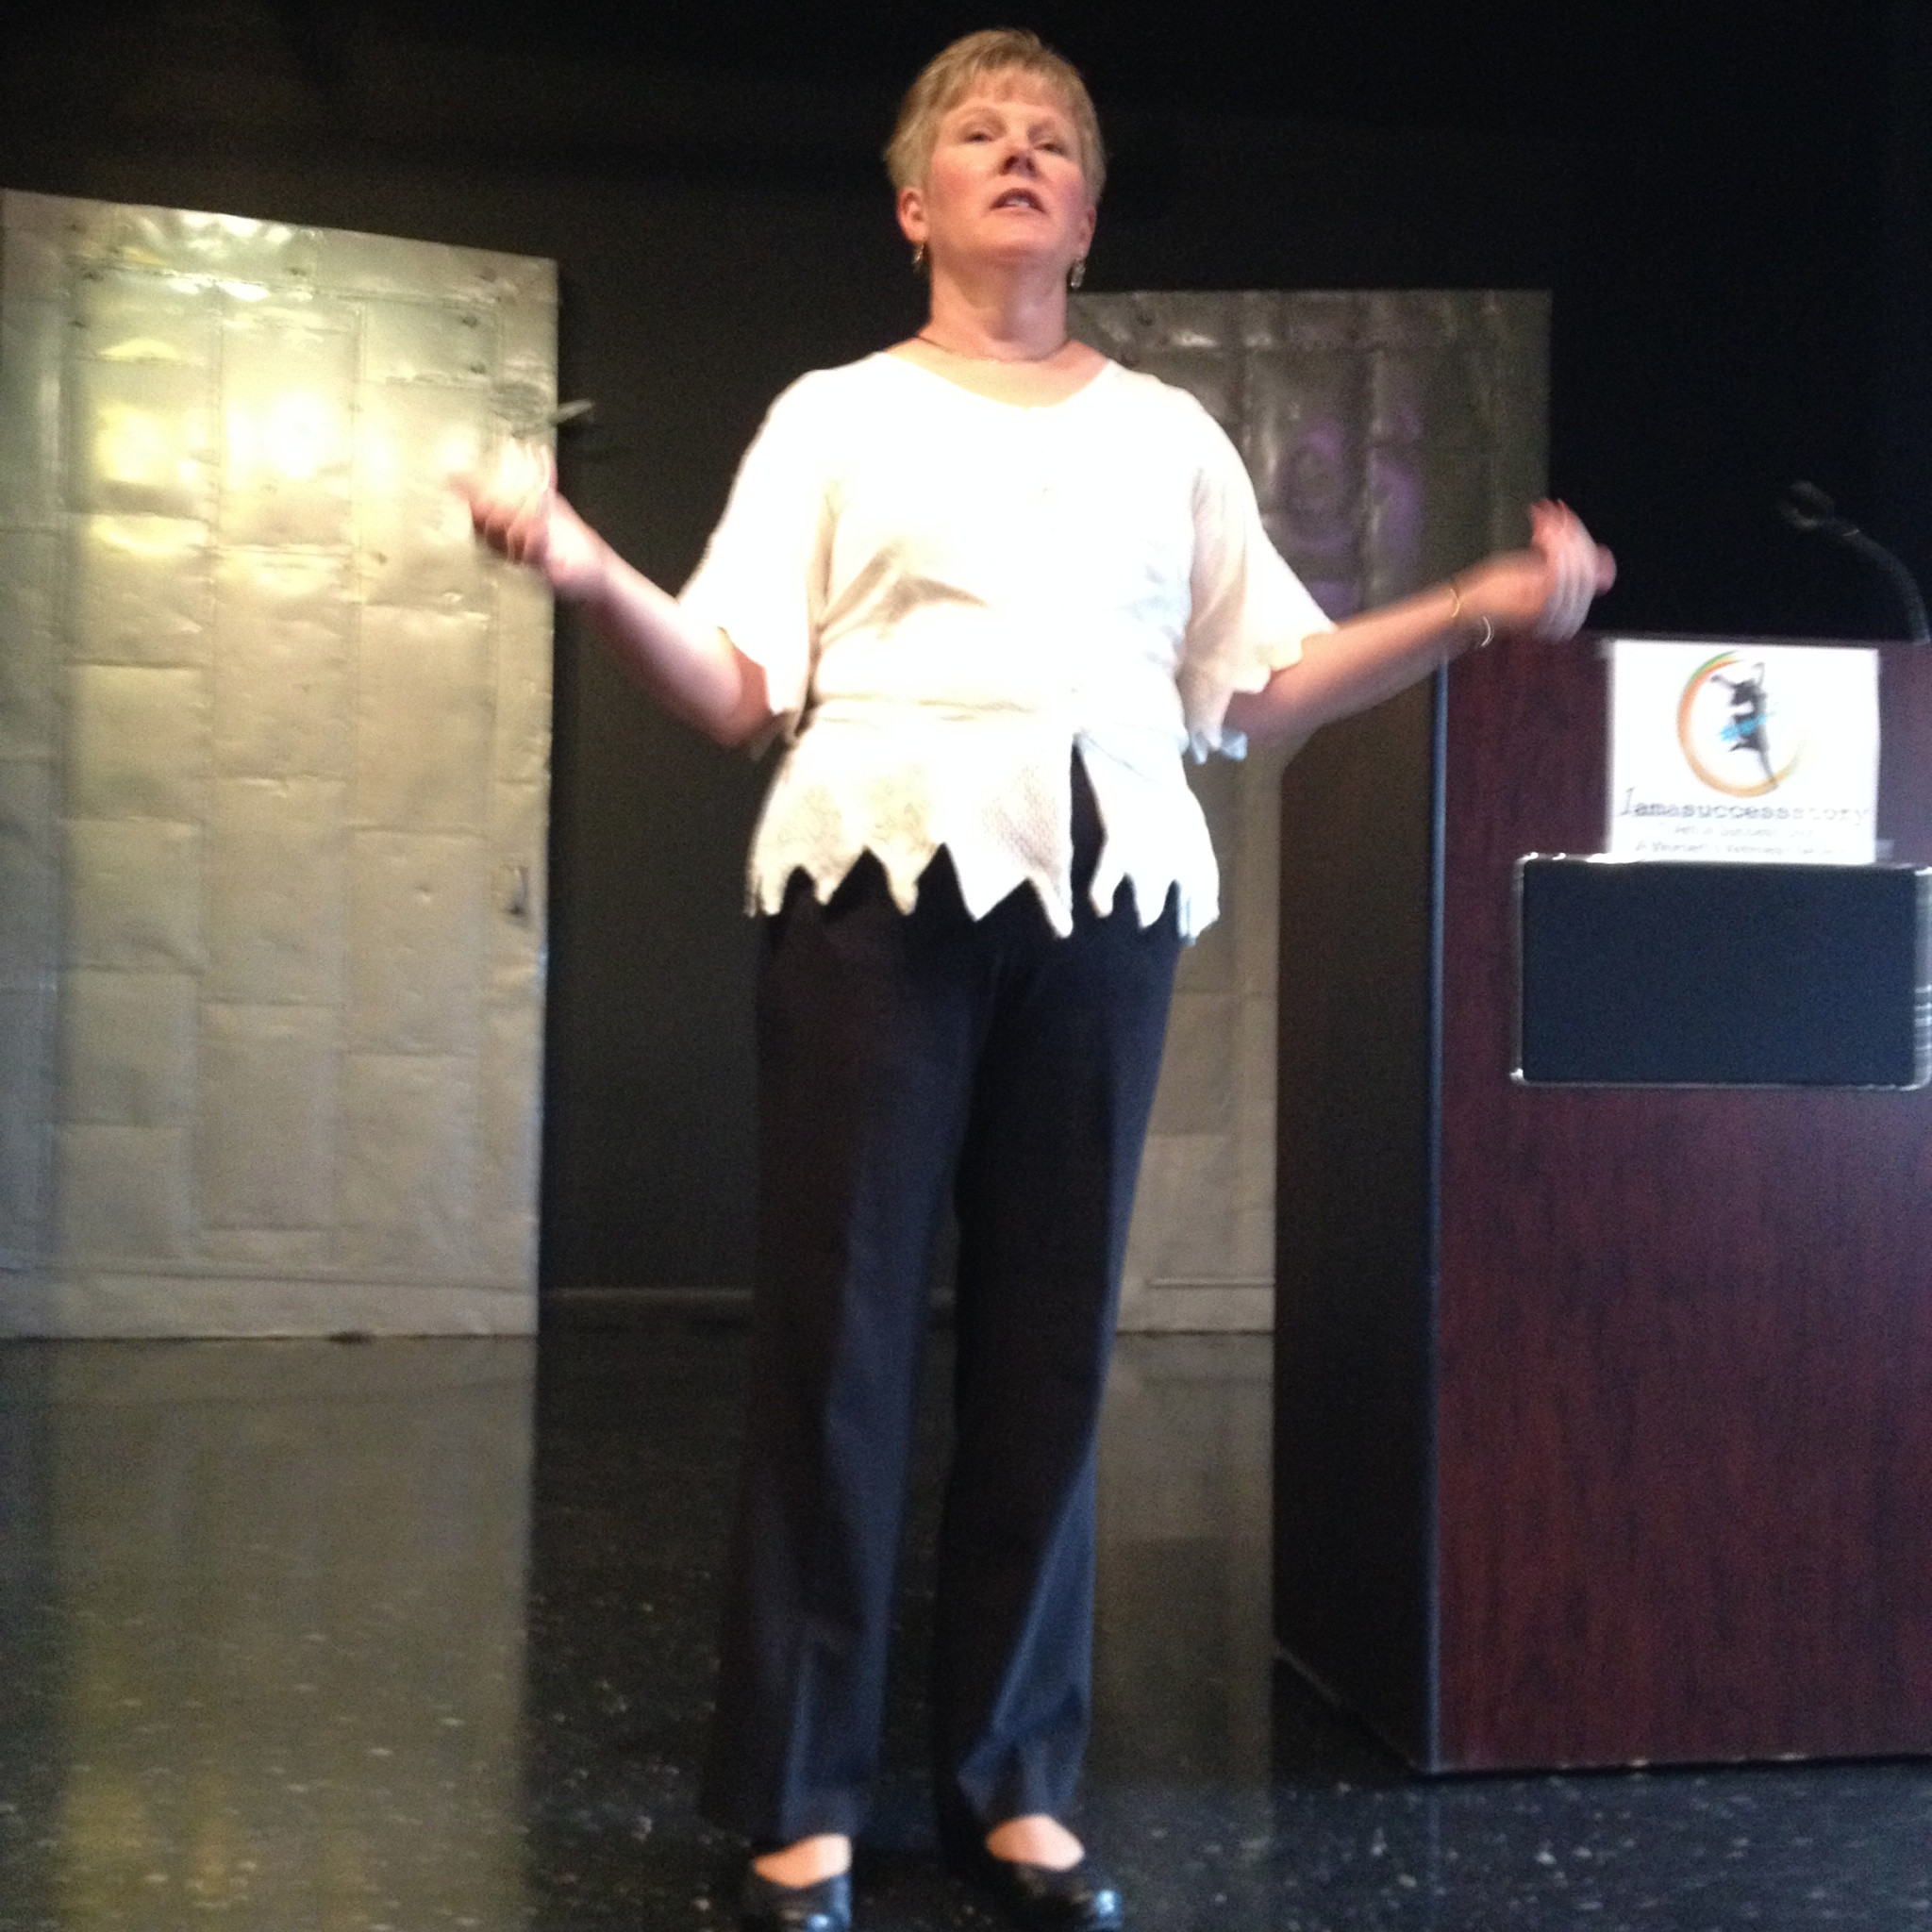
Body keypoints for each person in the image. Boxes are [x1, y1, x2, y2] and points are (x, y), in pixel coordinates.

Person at [468, 28, 1614, 1932]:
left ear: (1084, 219)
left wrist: (1474, 606)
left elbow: (1260, 688)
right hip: (875, 876)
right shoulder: (836, 415)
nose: (1021, 152)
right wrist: (588, 569)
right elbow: (739, 687)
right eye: (980, 133)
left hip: (1105, 889)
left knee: (1051, 1344)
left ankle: (1013, 1776)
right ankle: (804, 1790)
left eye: (1057, 140)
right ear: (913, 206)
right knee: (839, 1343)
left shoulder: (1168, 435)